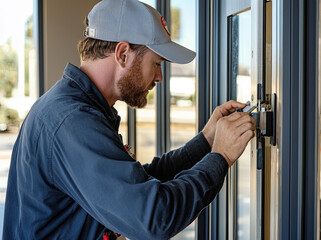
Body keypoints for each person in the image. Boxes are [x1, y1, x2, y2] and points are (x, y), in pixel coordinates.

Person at [2, 0, 255, 239]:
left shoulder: (77, 109)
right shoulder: (73, 121)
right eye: (156, 64)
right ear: (123, 54)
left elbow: (134, 186)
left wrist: (207, 141)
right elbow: (155, 218)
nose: (159, 77)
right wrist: (220, 157)